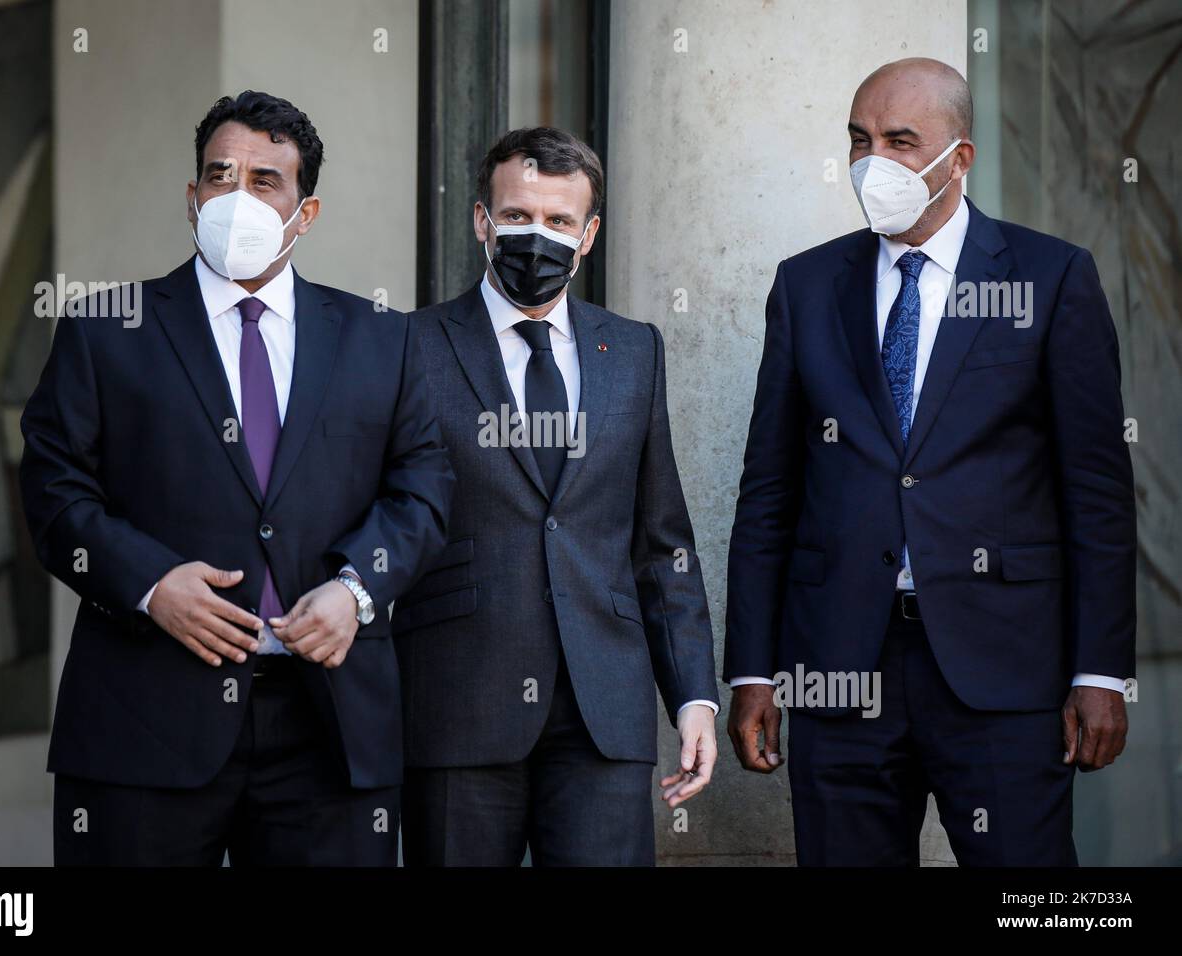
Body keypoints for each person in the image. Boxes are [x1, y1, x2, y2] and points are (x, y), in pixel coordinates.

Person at [19, 91, 453, 866]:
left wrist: (357, 591)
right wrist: (152, 585)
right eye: (220, 176)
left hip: (331, 730)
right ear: (192, 198)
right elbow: (54, 495)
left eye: (264, 180)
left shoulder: (383, 340)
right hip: (143, 718)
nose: (237, 197)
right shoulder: (104, 332)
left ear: (306, 212)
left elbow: (422, 491)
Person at [725, 58, 1136, 866]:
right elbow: (769, 492)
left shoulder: (1050, 278)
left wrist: (1102, 671)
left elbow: (1097, 492)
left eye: (901, 141)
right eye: (859, 140)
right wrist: (752, 671)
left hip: (1005, 672)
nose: (874, 162)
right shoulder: (807, 286)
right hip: (840, 668)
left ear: (961, 157)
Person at [397, 127, 719, 866]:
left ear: (589, 235)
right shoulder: (410, 346)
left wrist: (694, 695)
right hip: (458, 704)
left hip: (603, 709)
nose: (535, 236)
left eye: (559, 221)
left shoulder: (635, 350)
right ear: (482, 220)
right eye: (516, 217)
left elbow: (662, 540)